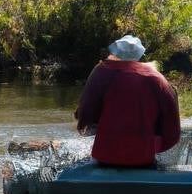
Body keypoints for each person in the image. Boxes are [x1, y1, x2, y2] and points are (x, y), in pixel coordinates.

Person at [75, 35, 181, 167]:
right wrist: (156, 145)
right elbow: (172, 127)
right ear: (139, 55)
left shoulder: (100, 72)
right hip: (143, 157)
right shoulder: (157, 78)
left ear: (115, 52)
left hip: (105, 155)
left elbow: (85, 112)